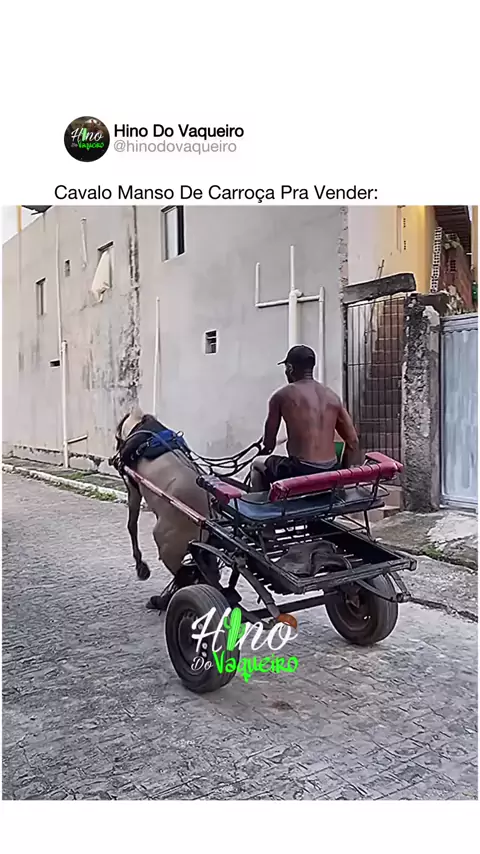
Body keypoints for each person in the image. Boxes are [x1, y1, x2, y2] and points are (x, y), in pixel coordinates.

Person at [250, 345, 361, 492]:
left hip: (300, 470)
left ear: (290, 368)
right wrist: (341, 473)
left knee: (257, 464)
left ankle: (262, 504)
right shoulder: (332, 397)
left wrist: (265, 449)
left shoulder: (281, 396)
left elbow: (269, 444)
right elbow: (353, 441)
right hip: (331, 469)